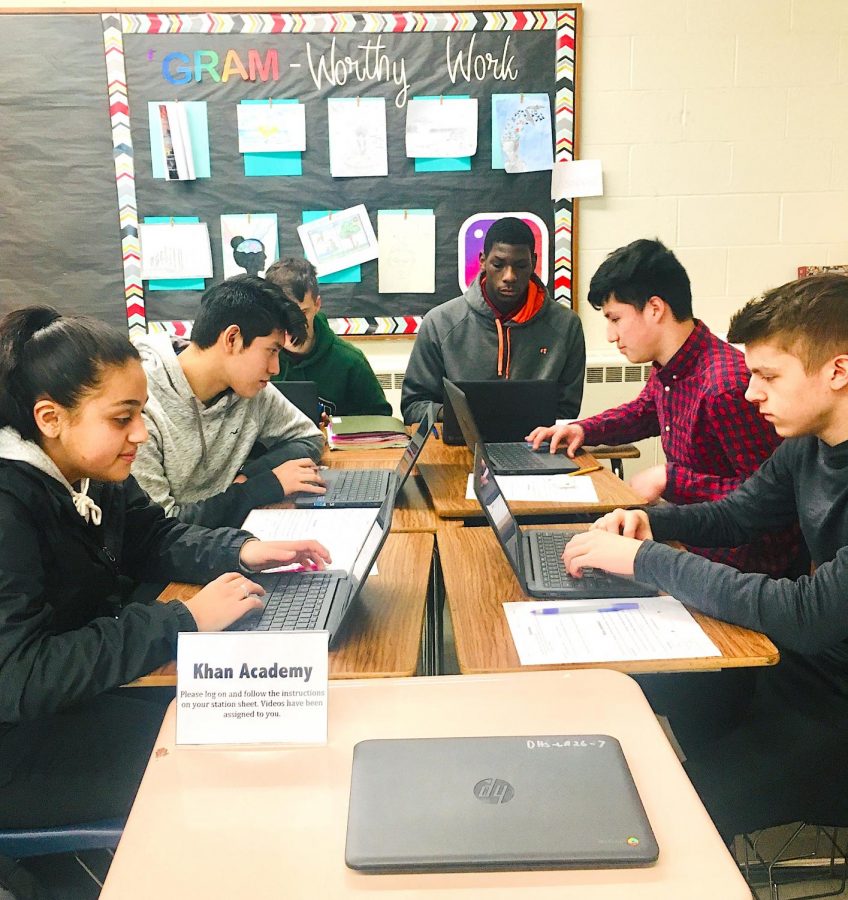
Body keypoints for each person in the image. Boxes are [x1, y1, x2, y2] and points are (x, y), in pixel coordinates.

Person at [0, 306, 330, 839]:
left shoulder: (90, 467)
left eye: (141, 415)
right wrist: (183, 620)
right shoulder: (10, 504)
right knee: (238, 756)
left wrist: (243, 550)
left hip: (72, 700)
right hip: (18, 744)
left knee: (254, 715)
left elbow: (153, 537)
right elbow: (20, 675)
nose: (140, 434)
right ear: (50, 418)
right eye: (122, 417)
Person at [562, 274, 848, 843]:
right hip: (799, 668)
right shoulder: (808, 446)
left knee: (666, 823)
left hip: (833, 701)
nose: (751, 395)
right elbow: (737, 514)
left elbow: (807, 613)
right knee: (617, 682)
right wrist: (651, 520)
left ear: (837, 372)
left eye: (768, 377)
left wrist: (644, 559)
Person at [528, 238, 798, 577]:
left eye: (615, 318)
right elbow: (645, 411)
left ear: (655, 308)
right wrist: (584, 428)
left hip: (740, 567)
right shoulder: (671, 365)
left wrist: (672, 479)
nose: (611, 335)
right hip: (692, 537)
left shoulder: (725, 386)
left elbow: (769, 499)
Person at [132, 274, 327, 529]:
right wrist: (256, 489)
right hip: (179, 557)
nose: (276, 368)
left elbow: (310, 438)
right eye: (272, 350)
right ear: (232, 339)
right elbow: (161, 528)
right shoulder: (140, 405)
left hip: (229, 536)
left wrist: (248, 477)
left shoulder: (252, 392)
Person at [400, 216, 585, 425]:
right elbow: (413, 407)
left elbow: (567, 410)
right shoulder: (439, 323)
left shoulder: (567, 326)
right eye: (498, 265)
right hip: (460, 446)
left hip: (536, 446)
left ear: (533, 262)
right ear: (482, 261)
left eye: (521, 265)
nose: (509, 276)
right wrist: (464, 416)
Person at [265, 257, 392, 417]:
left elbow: (380, 420)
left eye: (303, 312)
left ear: (317, 304)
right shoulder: (255, 358)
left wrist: (338, 428)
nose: (292, 325)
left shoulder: (350, 361)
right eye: (282, 314)